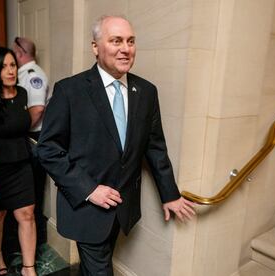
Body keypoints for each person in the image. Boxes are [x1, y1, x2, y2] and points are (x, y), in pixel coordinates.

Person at [36, 15, 196, 275]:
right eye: (116, 41)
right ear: (96, 47)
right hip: (86, 205)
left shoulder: (146, 92)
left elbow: (155, 147)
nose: (126, 48)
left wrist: (170, 194)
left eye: (131, 41)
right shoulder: (69, 91)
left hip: (123, 208)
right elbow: (48, 149)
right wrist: (89, 189)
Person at [0, 47, 37, 276]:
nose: (10, 71)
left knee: (27, 214)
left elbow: (24, 126)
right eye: (4, 66)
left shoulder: (22, 93)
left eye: (13, 65)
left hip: (22, 163)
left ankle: (28, 267)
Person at [12, 36, 50, 246]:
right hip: (26, 137)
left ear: (20, 51)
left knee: (32, 192)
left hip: (32, 138)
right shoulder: (23, 74)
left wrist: (16, 131)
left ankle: (36, 240)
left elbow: (36, 110)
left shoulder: (34, 75)